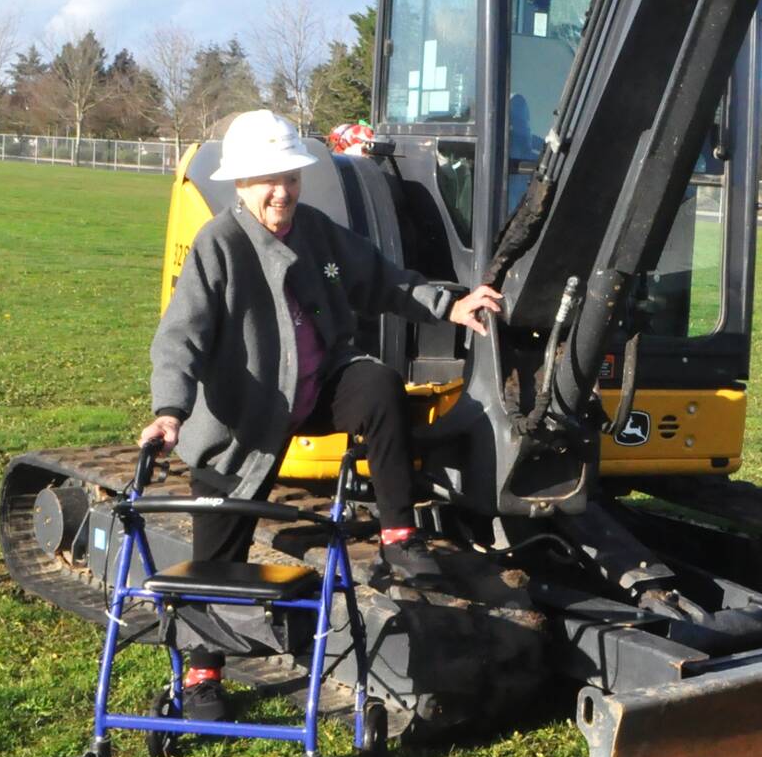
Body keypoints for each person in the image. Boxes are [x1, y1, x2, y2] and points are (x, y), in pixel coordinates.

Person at [138, 109, 501, 719]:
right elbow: (180, 337)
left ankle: (398, 534)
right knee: (218, 552)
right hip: (244, 418)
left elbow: (383, 281)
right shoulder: (220, 245)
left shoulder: (317, 233)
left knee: (378, 384)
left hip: (316, 390)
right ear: (241, 185)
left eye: (291, 178)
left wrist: (450, 304)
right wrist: (170, 410)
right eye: (267, 180)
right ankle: (202, 679)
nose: (282, 192)